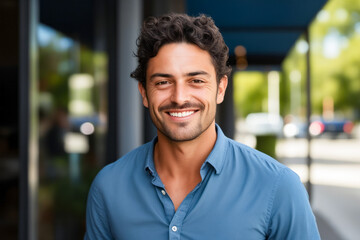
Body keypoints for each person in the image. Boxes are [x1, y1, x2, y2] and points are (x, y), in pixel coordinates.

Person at [84, 13, 320, 239]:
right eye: (164, 82)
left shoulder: (277, 187)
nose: (179, 97)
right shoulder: (108, 188)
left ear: (220, 88)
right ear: (144, 93)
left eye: (196, 81)